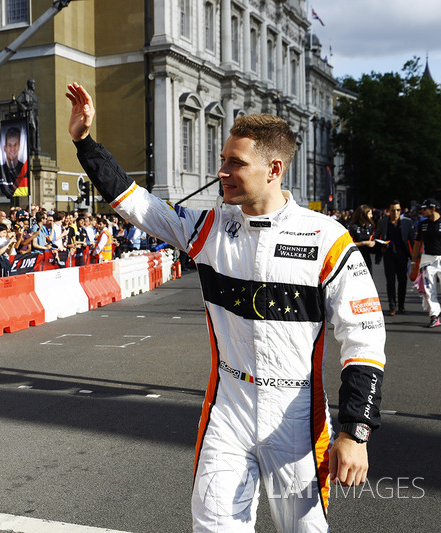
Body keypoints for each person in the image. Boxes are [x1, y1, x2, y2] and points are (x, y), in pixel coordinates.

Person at [66, 82, 385, 532]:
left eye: (235, 163)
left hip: (296, 418)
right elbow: (137, 204)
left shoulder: (327, 237)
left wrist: (356, 430)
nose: (222, 172)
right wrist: (84, 142)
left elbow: (365, 336)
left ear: (274, 169)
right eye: (222, 161)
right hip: (227, 409)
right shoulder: (210, 226)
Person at [375, 200, 414, 315]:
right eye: (393, 210)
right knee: (390, 282)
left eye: (398, 210)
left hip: (403, 255)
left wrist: (415, 257)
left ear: (400, 210)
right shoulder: (383, 222)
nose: (395, 212)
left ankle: (401, 306)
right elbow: (377, 236)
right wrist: (380, 246)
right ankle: (392, 306)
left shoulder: (407, 222)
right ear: (388, 211)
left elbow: (412, 240)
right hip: (389, 255)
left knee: (403, 281)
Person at [412, 198, 441, 328]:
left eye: (424, 209)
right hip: (428, 259)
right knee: (429, 290)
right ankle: (434, 315)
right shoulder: (422, 224)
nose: (422, 211)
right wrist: (413, 263)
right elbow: (417, 244)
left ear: (433, 209)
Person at [347, 205, 376, 271]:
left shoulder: (369, 226)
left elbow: (371, 238)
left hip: (367, 256)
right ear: (363, 215)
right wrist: (364, 243)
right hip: (355, 257)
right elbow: (349, 244)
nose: (371, 216)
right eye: (369, 214)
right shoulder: (352, 227)